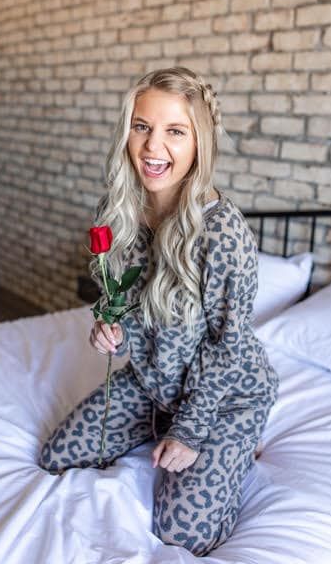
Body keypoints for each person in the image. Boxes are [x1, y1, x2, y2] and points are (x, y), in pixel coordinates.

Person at [39, 66, 279, 557]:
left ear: (200, 142)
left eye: (175, 131)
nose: (152, 147)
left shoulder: (222, 233)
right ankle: (164, 429)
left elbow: (227, 345)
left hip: (224, 394)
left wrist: (190, 433)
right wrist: (111, 332)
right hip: (154, 385)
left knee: (183, 534)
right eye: (142, 126)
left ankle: (236, 445)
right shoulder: (119, 208)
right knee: (57, 456)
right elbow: (122, 302)